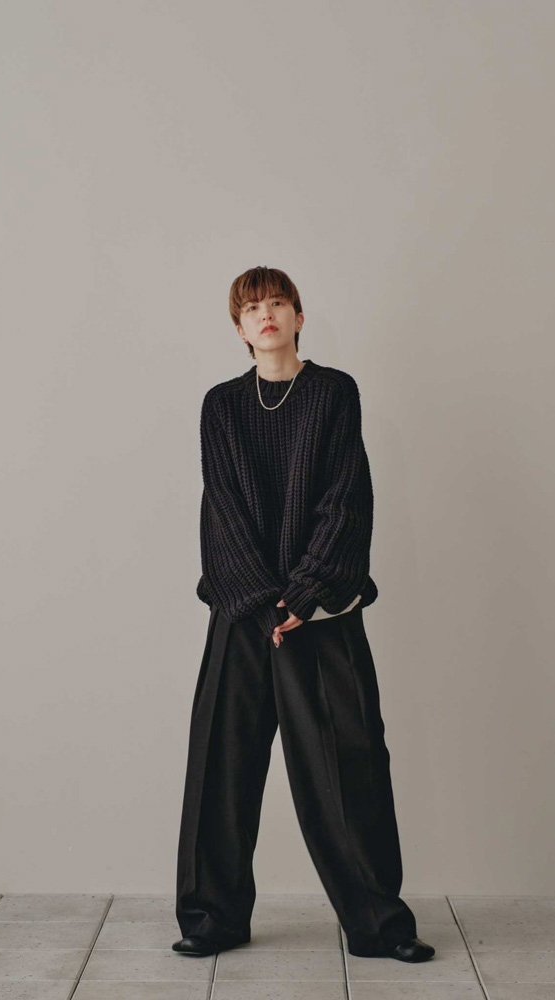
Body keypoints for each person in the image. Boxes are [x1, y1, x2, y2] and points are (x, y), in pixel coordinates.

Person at [173, 266, 435, 962]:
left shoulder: (333, 393)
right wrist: (265, 603)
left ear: (298, 317)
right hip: (245, 611)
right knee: (222, 765)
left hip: (320, 612)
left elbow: (346, 499)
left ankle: (378, 924)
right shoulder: (221, 407)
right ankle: (212, 918)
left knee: (350, 765)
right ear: (238, 328)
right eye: (251, 308)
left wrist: (307, 592)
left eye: (277, 303)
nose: (265, 315)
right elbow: (222, 511)